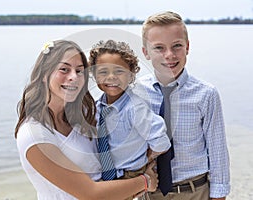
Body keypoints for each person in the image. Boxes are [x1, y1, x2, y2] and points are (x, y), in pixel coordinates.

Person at [15, 39, 158, 200]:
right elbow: (91, 194)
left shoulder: (84, 114)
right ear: (43, 74)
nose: (73, 77)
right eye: (64, 69)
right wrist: (146, 181)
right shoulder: (34, 135)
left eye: (79, 71)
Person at [136, 11, 230, 200]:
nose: (169, 55)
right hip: (149, 193)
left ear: (187, 47)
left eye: (177, 46)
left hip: (195, 191)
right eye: (159, 48)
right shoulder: (135, 93)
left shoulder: (206, 94)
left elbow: (217, 151)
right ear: (146, 52)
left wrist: (219, 195)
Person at [89, 40, 171, 199]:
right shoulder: (98, 107)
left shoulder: (135, 108)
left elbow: (161, 141)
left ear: (131, 75)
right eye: (103, 72)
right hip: (106, 177)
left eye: (119, 71)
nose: (111, 77)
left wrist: (145, 159)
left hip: (130, 175)